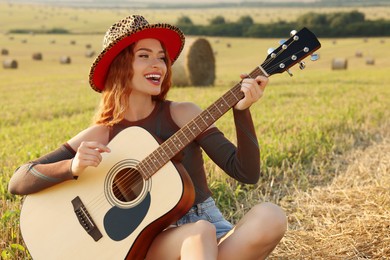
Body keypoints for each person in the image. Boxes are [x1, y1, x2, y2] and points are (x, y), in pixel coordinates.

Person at [9, 15, 287, 259]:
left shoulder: (183, 114)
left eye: (162, 57)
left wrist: (242, 111)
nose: (159, 65)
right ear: (120, 65)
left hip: (209, 229)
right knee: (198, 235)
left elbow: (246, 173)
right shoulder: (103, 133)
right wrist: (71, 167)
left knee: (270, 217)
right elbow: (20, 180)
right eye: (144, 55)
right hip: (148, 243)